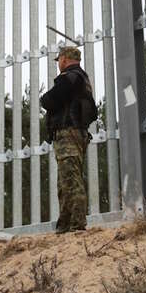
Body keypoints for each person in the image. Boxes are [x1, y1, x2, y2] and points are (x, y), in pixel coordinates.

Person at [39, 46, 96, 233]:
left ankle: (76, 224)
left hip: (67, 134)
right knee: (65, 181)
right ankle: (64, 224)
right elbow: (93, 112)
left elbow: (49, 100)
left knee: (71, 181)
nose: (59, 64)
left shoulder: (69, 77)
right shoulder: (83, 80)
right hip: (78, 133)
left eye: (59, 60)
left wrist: (44, 98)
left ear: (64, 59)